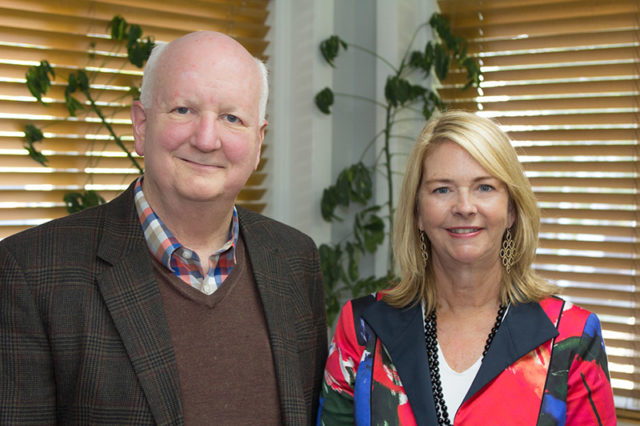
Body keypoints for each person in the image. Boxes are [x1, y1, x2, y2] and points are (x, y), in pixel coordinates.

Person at [0, 31, 327, 425]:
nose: (207, 139)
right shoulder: (31, 272)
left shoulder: (295, 259)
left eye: (231, 118)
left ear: (258, 142)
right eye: (183, 110)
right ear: (141, 125)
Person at [317, 110, 616, 425]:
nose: (464, 207)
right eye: (442, 189)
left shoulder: (573, 337)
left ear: (512, 209)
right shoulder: (362, 327)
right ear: (417, 212)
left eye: (484, 187)